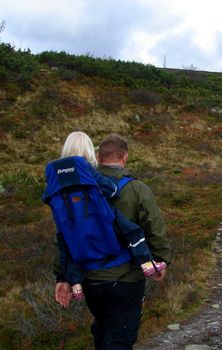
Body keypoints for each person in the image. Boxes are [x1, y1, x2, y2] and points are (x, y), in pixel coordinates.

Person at [54, 133, 172, 350]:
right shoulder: (137, 189)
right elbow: (154, 229)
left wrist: (62, 277)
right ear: (125, 157)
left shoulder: (78, 189)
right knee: (119, 339)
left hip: (90, 282)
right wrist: (160, 261)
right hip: (126, 280)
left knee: (104, 330)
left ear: (99, 157)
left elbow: (65, 236)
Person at [45, 132, 165, 302]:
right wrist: (160, 258)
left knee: (67, 239)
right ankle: (146, 263)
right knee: (132, 232)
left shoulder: (56, 180)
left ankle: (76, 284)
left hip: (88, 271)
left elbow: (58, 232)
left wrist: (62, 278)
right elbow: (112, 191)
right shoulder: (89, 173)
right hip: (123, 273)